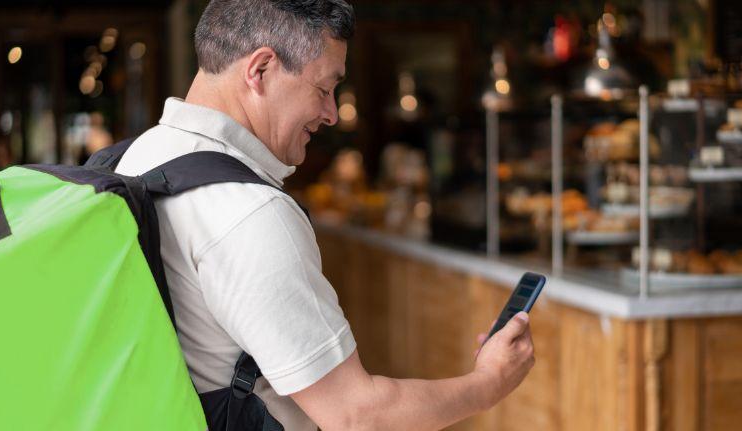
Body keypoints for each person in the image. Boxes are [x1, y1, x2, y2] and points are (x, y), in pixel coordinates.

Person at [114, 1, 535, 430]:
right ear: (260, 70)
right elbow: (357, 416)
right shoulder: (249, 212)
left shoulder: (133, 159)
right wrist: (490, 382)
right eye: (323, 88)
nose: (332, 113)